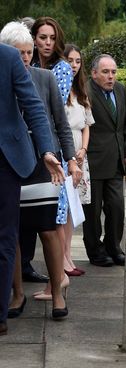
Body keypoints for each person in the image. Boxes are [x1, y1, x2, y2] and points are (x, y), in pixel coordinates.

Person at [0, 21, 81, 319]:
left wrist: (70, 159)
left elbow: (61, 124)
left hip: (43, 163)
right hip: (11, 164)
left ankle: (58, 291)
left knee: (48, 229)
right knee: (14, 231)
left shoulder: (44, 78)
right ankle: (17, 294)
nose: (24, 58)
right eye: (18, 52)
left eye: (28, 52)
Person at [20, 16, 75, 283]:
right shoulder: (23, 65)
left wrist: (70, 157)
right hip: (23, 151)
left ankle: (60, 277)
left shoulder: (58, 70)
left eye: (52, 38)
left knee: (52, 217)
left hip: (48, 149)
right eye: (42, 38)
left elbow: (52, 114)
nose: (47, 43)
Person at [84, 54, 126, 267]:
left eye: (113, 71)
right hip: (94, 161)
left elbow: (124, 126)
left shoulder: (121, 90)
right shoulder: (85, 91)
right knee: (93, 212)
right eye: (105, 72)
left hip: (116, 161)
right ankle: (95, 251)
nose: (110, 76)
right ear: (94, 73)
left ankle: (114, 247)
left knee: (117, 207)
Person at [59, 43, 94, 276]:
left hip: (81, 155)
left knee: (73, 210)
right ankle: (59, 258)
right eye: (70, 60)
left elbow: (87, 126)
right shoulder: (58, 87)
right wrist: (71, 153)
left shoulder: (81, 92)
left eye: (78, 61)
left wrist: (83, 150)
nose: (74, 65)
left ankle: (69, 256)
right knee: (61, 209)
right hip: (63, 151)